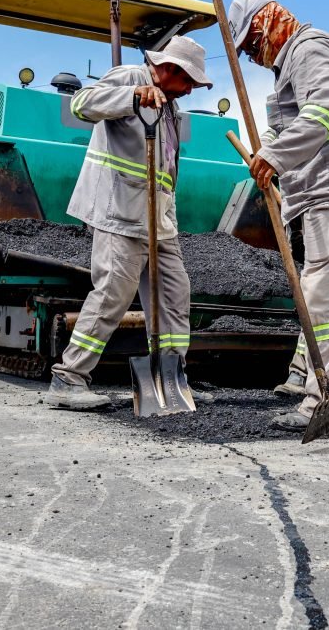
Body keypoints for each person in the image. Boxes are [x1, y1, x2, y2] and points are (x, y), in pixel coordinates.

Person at [227, 0, 329, 431]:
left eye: (249, 44)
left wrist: (276, 156)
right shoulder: (293, 63)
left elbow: (325, 106)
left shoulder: (307, 48)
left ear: (268, 24)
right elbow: (288, 123)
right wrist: (268, 148)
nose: (251, 55)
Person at [45, 36, 213, 409]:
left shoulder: (170, 108)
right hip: (120, 211)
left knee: (174, 294)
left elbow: (166, 172)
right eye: (188, 81)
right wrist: (133, 96)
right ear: (170, 69)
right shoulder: (131, 77)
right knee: (112, 296)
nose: (190, 90)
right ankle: (68, 378)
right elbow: (81, 104)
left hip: (159, 219)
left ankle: (170, 378)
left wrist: (169, 215)